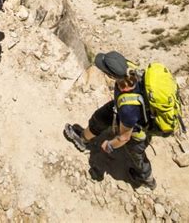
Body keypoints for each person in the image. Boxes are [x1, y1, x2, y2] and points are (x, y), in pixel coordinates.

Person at [64, 51, 156, 190]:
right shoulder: (130, 69)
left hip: (136, 128)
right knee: (101, 116)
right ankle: (82, 139)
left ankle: (146, 178)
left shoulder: (128, 109)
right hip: (124, 109)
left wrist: (109, 144)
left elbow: (124, 137)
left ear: (112, 76)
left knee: (136, 153)